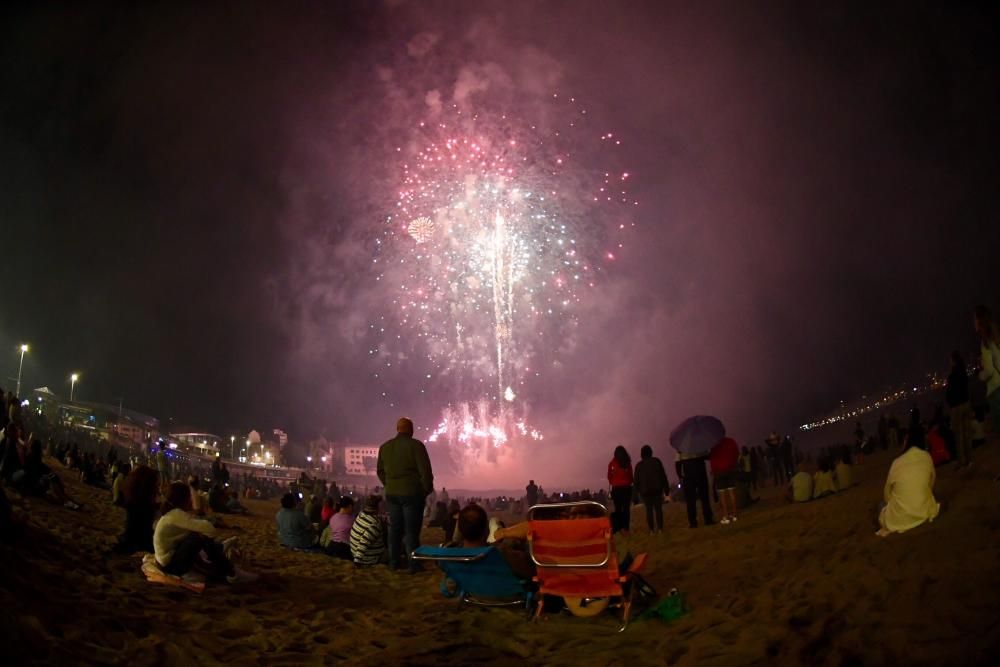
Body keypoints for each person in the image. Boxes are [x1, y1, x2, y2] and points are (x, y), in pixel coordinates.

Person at [154, 482, 245, 582]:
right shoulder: (176, 514)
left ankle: (222, 553)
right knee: (197, 537)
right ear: (184, 499)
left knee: (196, 535)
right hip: (170, 565)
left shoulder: (172, 514)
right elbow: (209, 529)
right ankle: (230, 571)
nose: (191, 500)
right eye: (189, 497)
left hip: (165, 562)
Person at [377, 417, 434, 572]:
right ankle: (413, 564)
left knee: (394, 529)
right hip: (412, 494)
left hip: (392, 494)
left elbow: (380, 471)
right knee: (411, 531)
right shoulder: (416, 446)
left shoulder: (385, 447)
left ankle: (393, 562)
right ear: (411, 429)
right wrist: (425, 490)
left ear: (397, 429)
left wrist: (388, 484)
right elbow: (426, 473)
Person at [877, 428, 940, 537]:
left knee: (880, 505)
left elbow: (886, 494)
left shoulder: (896, 462)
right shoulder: (926, 456)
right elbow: (932, 482)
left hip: (899, 519)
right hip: (923, 511)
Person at [115, 465, 160, 554]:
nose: (157, 486)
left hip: (130, 537)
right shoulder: (146, 506)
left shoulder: (133, 500)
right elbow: (147, 528)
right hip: (141, 541)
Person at [974, 305, 1000, 433]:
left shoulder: (985, 342)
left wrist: (980, 375)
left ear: (980, 321)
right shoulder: (996, 336)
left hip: (996, 390)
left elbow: (989, 371)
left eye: (975, 319)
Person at [946, 350, 973, 468]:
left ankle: (962, 461)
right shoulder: (963, 373)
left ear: (954, 361)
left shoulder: (952, 376)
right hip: (966, 404)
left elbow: (950, 393)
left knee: (959, 435)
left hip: (957, 407)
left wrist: (950, 404)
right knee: (967, 433)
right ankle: (970, 460)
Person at [633, 445, 669, 534]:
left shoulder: (639, 465)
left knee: (649, 510)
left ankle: (651, 530)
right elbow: (663, 476)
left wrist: (635, 495)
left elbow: (636, 481)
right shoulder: (657, 461)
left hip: (645, 491)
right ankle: (660, 529)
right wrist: (666, 488)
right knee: (658, 509)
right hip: (657, 489)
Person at [675, 453, 714, 528]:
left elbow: (677, 463)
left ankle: (693, 522)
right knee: (704, 497)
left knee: (690, 500)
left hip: (688, 473)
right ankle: (708, 519)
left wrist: (680, 476)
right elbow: (707, 456)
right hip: (700, 470)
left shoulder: (681, 449)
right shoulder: (699, 445)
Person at [351, 495, 388, 567]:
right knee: (394, 552)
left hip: (354, 553)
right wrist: (357, 561)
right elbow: (363, 542)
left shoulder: (360, 515)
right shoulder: (374, 523)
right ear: (377, 507)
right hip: (369, 559)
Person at [709, 437, 740, 524]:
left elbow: (713, 460)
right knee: (732, 493)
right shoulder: (731, 441)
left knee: (723, 496)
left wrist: (714, 471)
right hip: (730, 469)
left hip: (719, 472)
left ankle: (726, 516)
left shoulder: (714, 445)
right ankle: (735, 514)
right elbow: (736, 453)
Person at [606, 445, 633, 535]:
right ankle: (626, 528)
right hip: (626, 488)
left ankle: (619, 528)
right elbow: (631, 475)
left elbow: (609, 476)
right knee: (626, 509)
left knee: (618, 509)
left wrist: (613, 482)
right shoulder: (627, 462)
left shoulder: (612, 463)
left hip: (616, 489)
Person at [326, 496, 355, 560]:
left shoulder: (333, 517)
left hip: (331, 546)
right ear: (349, 506)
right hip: (344, 549)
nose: (352, 510)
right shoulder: (351, 519)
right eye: (352, 507)